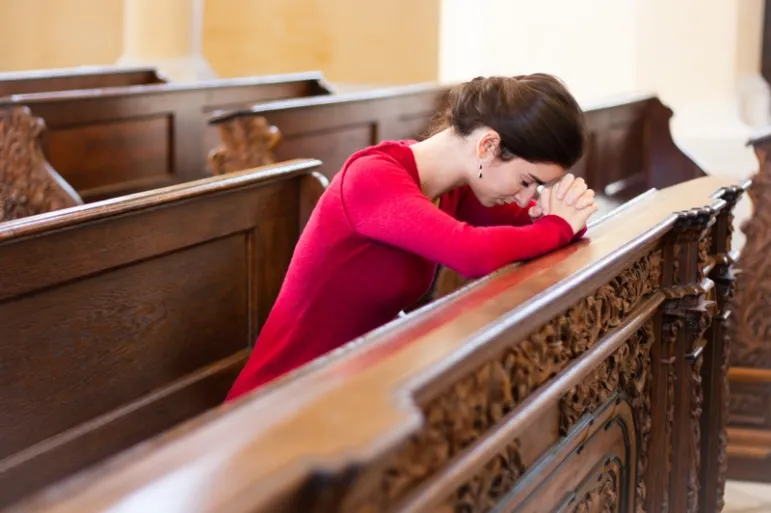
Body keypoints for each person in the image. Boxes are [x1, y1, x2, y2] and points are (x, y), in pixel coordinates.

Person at [225, 73, 599, 402]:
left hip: (351, 390)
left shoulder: (458, 188)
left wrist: (567, 214)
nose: (524, 197)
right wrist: (559, 224)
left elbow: (532, 230)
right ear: (487, 146)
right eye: (527, 181)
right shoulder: (372, 177)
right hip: (283, 398)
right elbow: (473, 253)